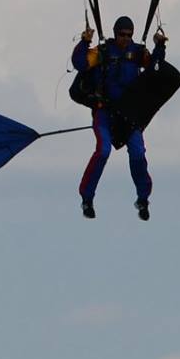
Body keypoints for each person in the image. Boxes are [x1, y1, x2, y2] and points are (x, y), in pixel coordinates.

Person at [71, 15, 169, 221]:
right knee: (103, 150)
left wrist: (159, 46)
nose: (125, 38)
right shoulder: (103, 51)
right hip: (104, 112)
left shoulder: (138, 52)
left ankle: (143, 199)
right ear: (115, 34)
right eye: (122, 35)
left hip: (128, 114)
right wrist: (85, 41)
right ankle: (87, 198)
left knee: (138, 153)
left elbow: (155, 68)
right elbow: (80, 63)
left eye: (129, 35)